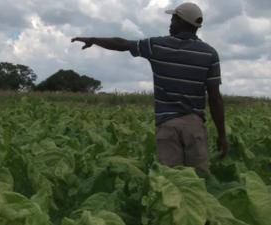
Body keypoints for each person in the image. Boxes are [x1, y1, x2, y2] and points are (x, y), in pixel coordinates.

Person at [72, 2, 228, 174]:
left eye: (174, 19)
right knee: (199, 185)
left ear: (183, 22)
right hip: (194, 126)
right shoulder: (209, 54)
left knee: (172, 184)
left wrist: (94, 40)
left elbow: (122, 44)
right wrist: (222, 134)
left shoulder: (157, 46)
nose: (170, 23)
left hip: (167, 126)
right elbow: (215, 98)